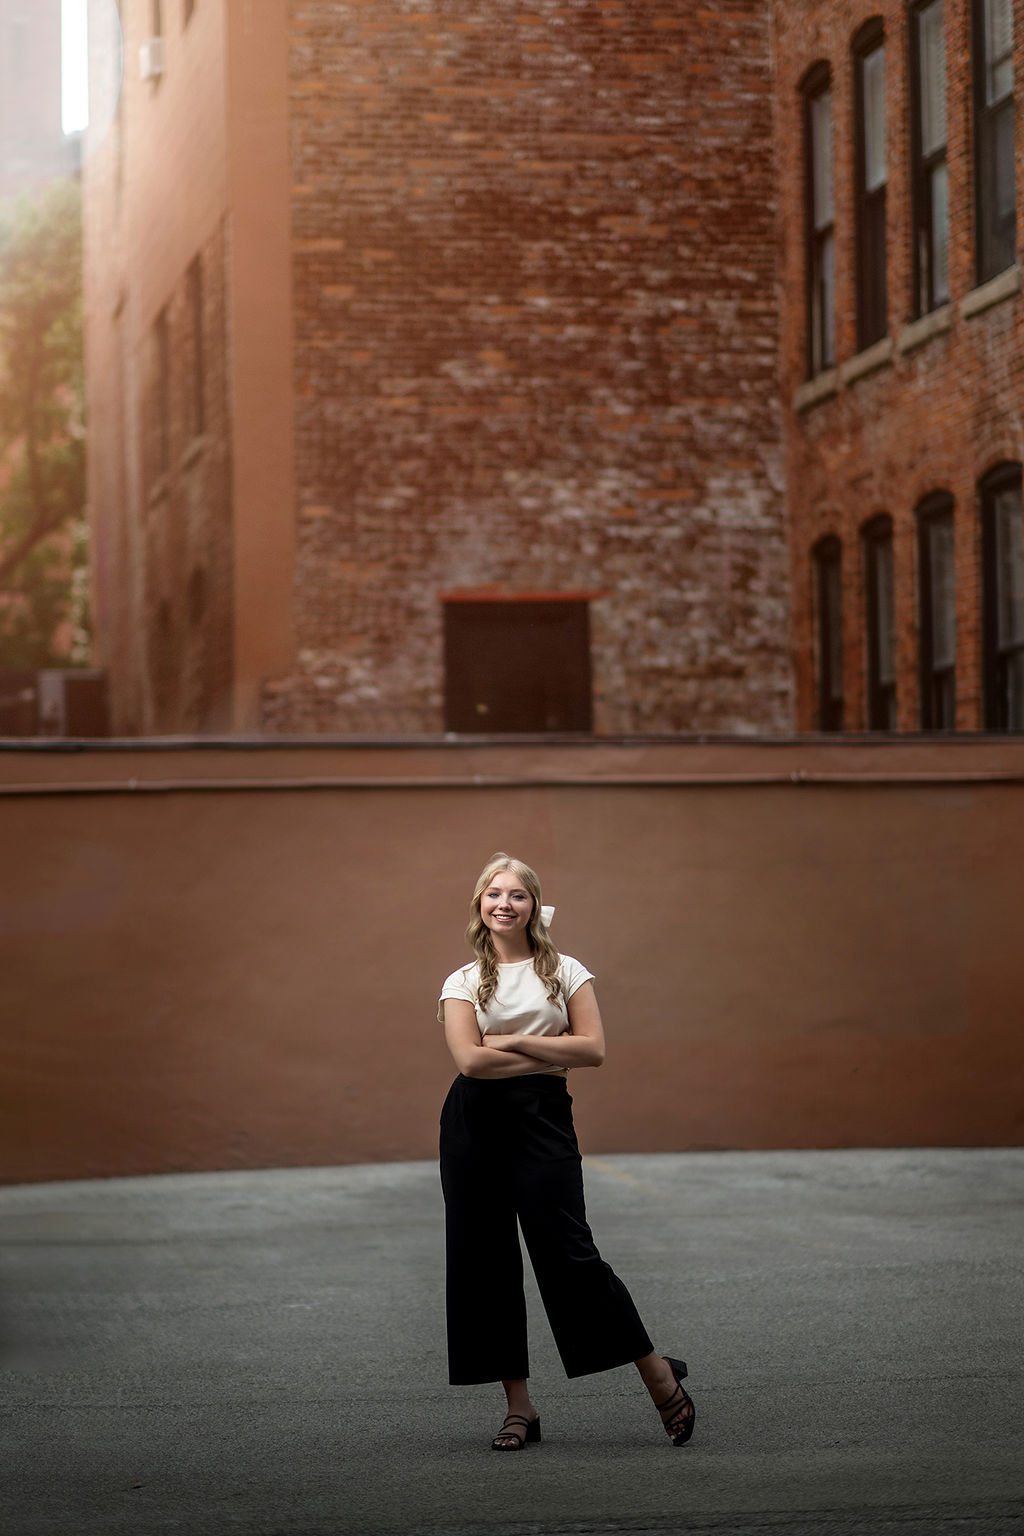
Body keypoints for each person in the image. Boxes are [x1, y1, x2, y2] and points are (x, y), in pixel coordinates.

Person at [437, 851, 696, 1451]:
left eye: (517, 895)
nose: (504, 903)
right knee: (484, 1260)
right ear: (480, 903)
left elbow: (596, 1050)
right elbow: (469, 1060)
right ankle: (519, 1408)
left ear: (533, 905)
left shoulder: (566, 970)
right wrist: (554, 1047)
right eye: (493, 894)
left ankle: (658, 1374)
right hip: (473, 1123)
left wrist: (515, 1040)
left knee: (569, 1252)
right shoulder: (462, 980)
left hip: (542, 1121)